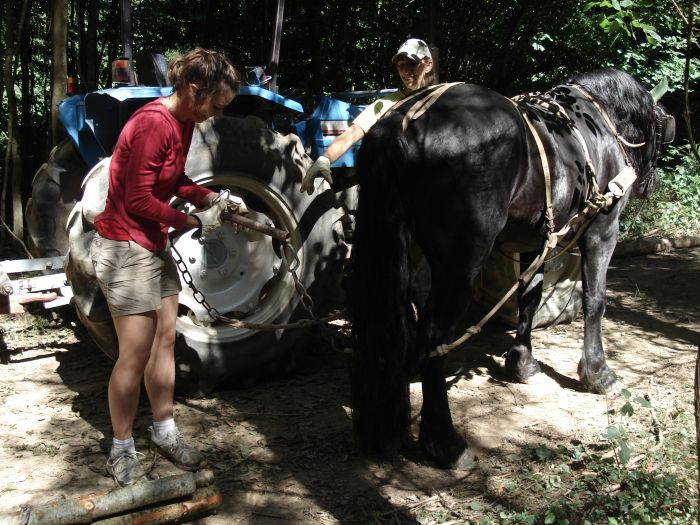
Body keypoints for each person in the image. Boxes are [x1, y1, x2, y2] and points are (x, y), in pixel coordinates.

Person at [90, 47, 244, 487]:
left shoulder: (185, 121)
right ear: (195, 89)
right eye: (215, 104)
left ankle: (164, 430)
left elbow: (172, 181)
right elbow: (138, 200)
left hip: (151, 244)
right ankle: (121, 449)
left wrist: (211, 198)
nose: (216, 114)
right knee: (134, 354)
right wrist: (195, 222)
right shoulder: (153, 125)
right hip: (124, 248)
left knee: (164, 340)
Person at [300, 38, 435, 195]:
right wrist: (325, 159)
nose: (405, 70)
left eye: (412, 63)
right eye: (401, 65)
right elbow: (353, 132)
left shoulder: (446, 100)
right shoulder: (387, 104)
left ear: (428, 64)